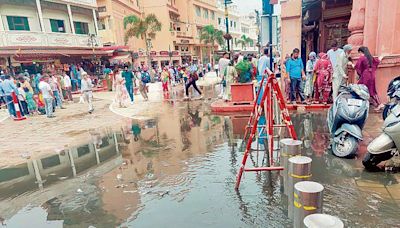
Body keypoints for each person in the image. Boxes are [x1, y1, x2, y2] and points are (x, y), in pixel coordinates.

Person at [355, 46, 384, 110]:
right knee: (372, 90)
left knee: (361, 89)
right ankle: (379, 104)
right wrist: (380, 58)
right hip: (372, 75)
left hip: (365, 76)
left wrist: (358, 74)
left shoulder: (362, 58)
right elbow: (377, 61)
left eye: (359, 52)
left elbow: (357, 67)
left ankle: (360, 105)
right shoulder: (370, 57)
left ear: (361, 52)